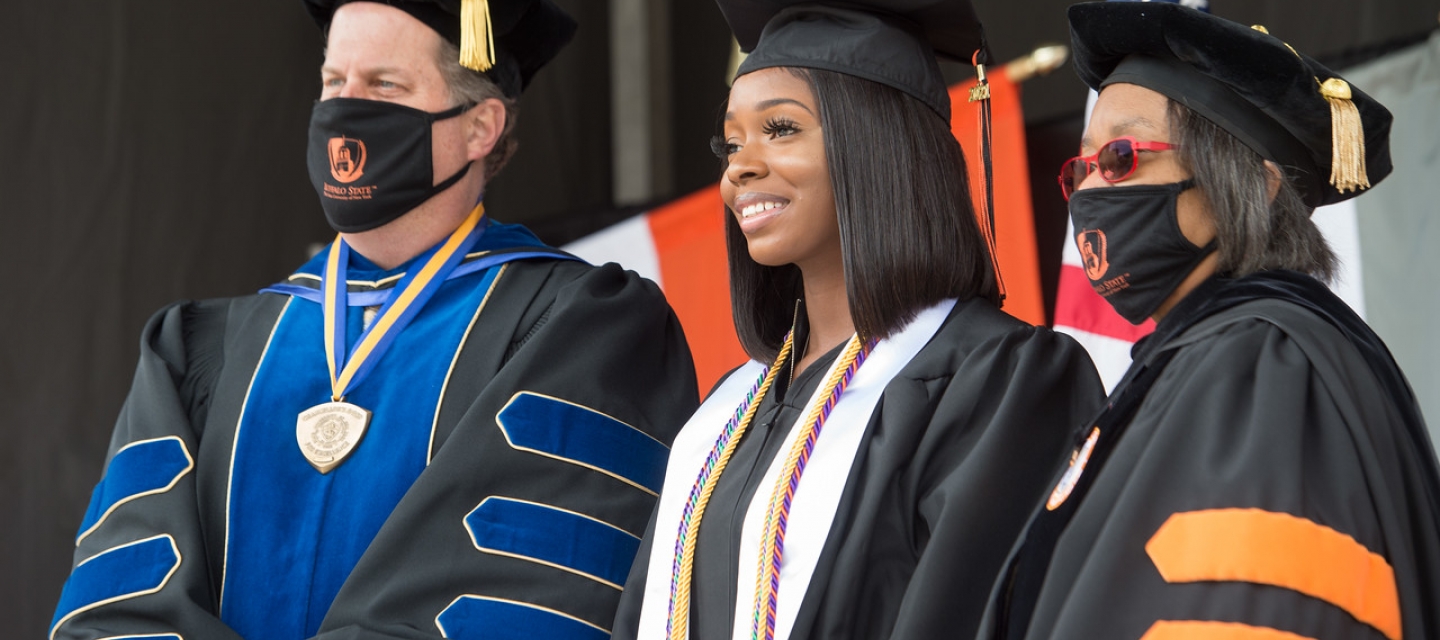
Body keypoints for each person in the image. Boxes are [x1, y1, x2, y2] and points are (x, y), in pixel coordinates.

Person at [49, 1, 699, 638]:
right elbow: (120, 601)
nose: (343, 109)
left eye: (384, 84)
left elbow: (523, 599)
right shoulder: (199, 352)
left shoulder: (579, 333)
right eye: (333, 81)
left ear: (481, 127)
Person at [612, 2, 1105, 639]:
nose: (740, 167)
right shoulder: (728, 414)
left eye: (781, 128)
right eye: (731, 142)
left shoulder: (1001, 382)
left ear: (877, 142)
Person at [979, 4, 1440, 640]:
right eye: (1081, 167)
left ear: (1255, 184)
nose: (1088, 193)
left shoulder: (1265, 370)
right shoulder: (1186, 363)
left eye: (1119, 157)